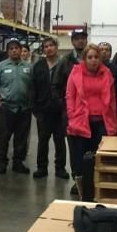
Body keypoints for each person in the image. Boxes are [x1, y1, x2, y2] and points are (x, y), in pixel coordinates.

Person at [66, 44, 117, 202]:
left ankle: (97, 187)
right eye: (90, 57)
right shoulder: (76, 72)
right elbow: (69, 95)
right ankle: (82, 187)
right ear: (85, 59)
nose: (93, 60)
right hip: (81, 121)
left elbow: (112, 98)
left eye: (96, 57)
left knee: (98, 157)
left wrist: (113, 120)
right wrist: (72, 115)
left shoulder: (107, 73)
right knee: (80, 157)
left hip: (101, 120)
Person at [0, 39, 34, 175]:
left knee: (21, 137)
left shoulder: (28, 67)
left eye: (17, 48)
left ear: (21, 50)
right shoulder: (1, 66)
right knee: (4, 137)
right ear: (8, 51)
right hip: (7, 108)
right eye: (11, 49)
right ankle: (2, 163)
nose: (14, 50)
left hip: (24, 108)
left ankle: (18, 162)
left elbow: (33, 87)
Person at [31, 37, 68, 180]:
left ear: (56, 47)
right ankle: (42, 168)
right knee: (43, 140)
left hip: (59, 110)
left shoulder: (64, 64)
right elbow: (33, 87)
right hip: (43, 110)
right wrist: (35, 108)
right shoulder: (38, 66)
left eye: (51, 45)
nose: (49, 48)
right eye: (46, 46)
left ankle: (60, 168)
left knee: (60, 141)